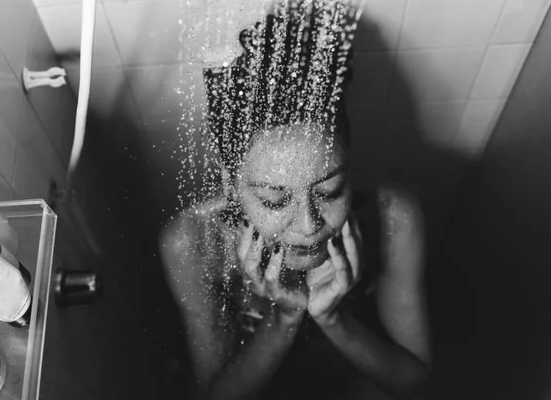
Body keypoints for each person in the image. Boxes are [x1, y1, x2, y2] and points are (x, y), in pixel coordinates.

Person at [159, 2, 431, 399]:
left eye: (329, 191)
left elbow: (410, 378)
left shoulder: (392, 217)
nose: (308, 227)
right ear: (230, 183)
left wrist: (334, 318)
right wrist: (285, 318)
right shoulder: (194, 241)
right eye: (274, 200)